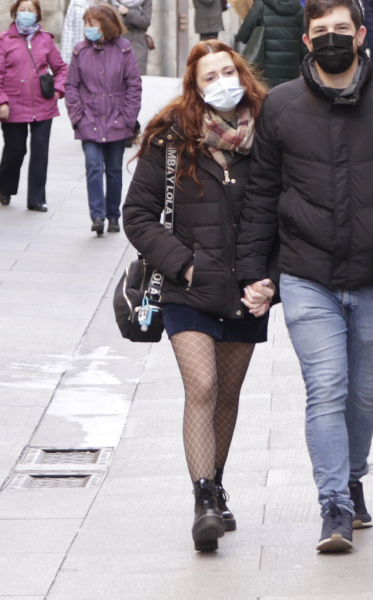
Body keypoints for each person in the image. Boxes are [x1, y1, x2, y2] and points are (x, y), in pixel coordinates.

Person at [236, 0, 373, 553]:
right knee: (327, 388)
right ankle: (333, 503)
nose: (332, 39)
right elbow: (260, 195)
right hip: (306, 274)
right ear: (307, 41)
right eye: (322, 32)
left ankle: (354, 478)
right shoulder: (281, 107)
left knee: (363, 394)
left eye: (343, 29)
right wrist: (254, 271)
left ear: (361, 36)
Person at [123, 40, 276, 553]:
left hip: (246, 291)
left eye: (227, 72)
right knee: (203, 387)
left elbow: (289, 212)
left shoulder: (269, 135)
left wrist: (268, 278)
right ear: (195, 86)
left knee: (228, 396)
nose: (221, 83)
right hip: (186, 291)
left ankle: (217, 479)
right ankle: (204, 499)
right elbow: (137, 216)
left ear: (242, 74)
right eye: (209, 77)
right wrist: (182, 264)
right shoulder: (172, 139)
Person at [65, 5, 142, 235]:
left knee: (114, 171)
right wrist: (77, 116)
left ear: (105, 25)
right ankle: (97, 216)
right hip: (89, 119)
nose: (87, 28)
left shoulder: (124, 49)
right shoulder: (80, 51)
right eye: (86, 23)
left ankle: (113, 215)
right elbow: (71, 86)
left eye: (92, 23)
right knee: (93, 166)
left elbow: (134, 85)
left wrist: (129, 117)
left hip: (117, 120)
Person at [0, 0, 68, 213]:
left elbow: (61, 69)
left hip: (44, 105)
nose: (26, 13)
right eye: (22, 9)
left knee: (40, 151)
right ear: (15, 12)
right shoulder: (3, 40)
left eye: (30, 10)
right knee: (15, 149)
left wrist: (58, 91)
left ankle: (36, 199)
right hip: (12, 105)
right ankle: (6, 186)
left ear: (37, 14)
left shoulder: (45, 39)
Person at [235, 0, 306, 87]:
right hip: (291, 74)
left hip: (265, 74)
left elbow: (243, 36)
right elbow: (304, 46)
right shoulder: (299, 8)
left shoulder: (260, 4)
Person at [108, 0, 152, 74]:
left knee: (135, 84)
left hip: (136, 45)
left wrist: (128, 13)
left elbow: (146, 22)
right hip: (115, 45)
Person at [61, 0, 111, 64]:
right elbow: (68, 30)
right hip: (79, 53)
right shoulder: (76, 1)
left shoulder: (107, 2)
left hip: (101, 54)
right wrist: (66, 59)